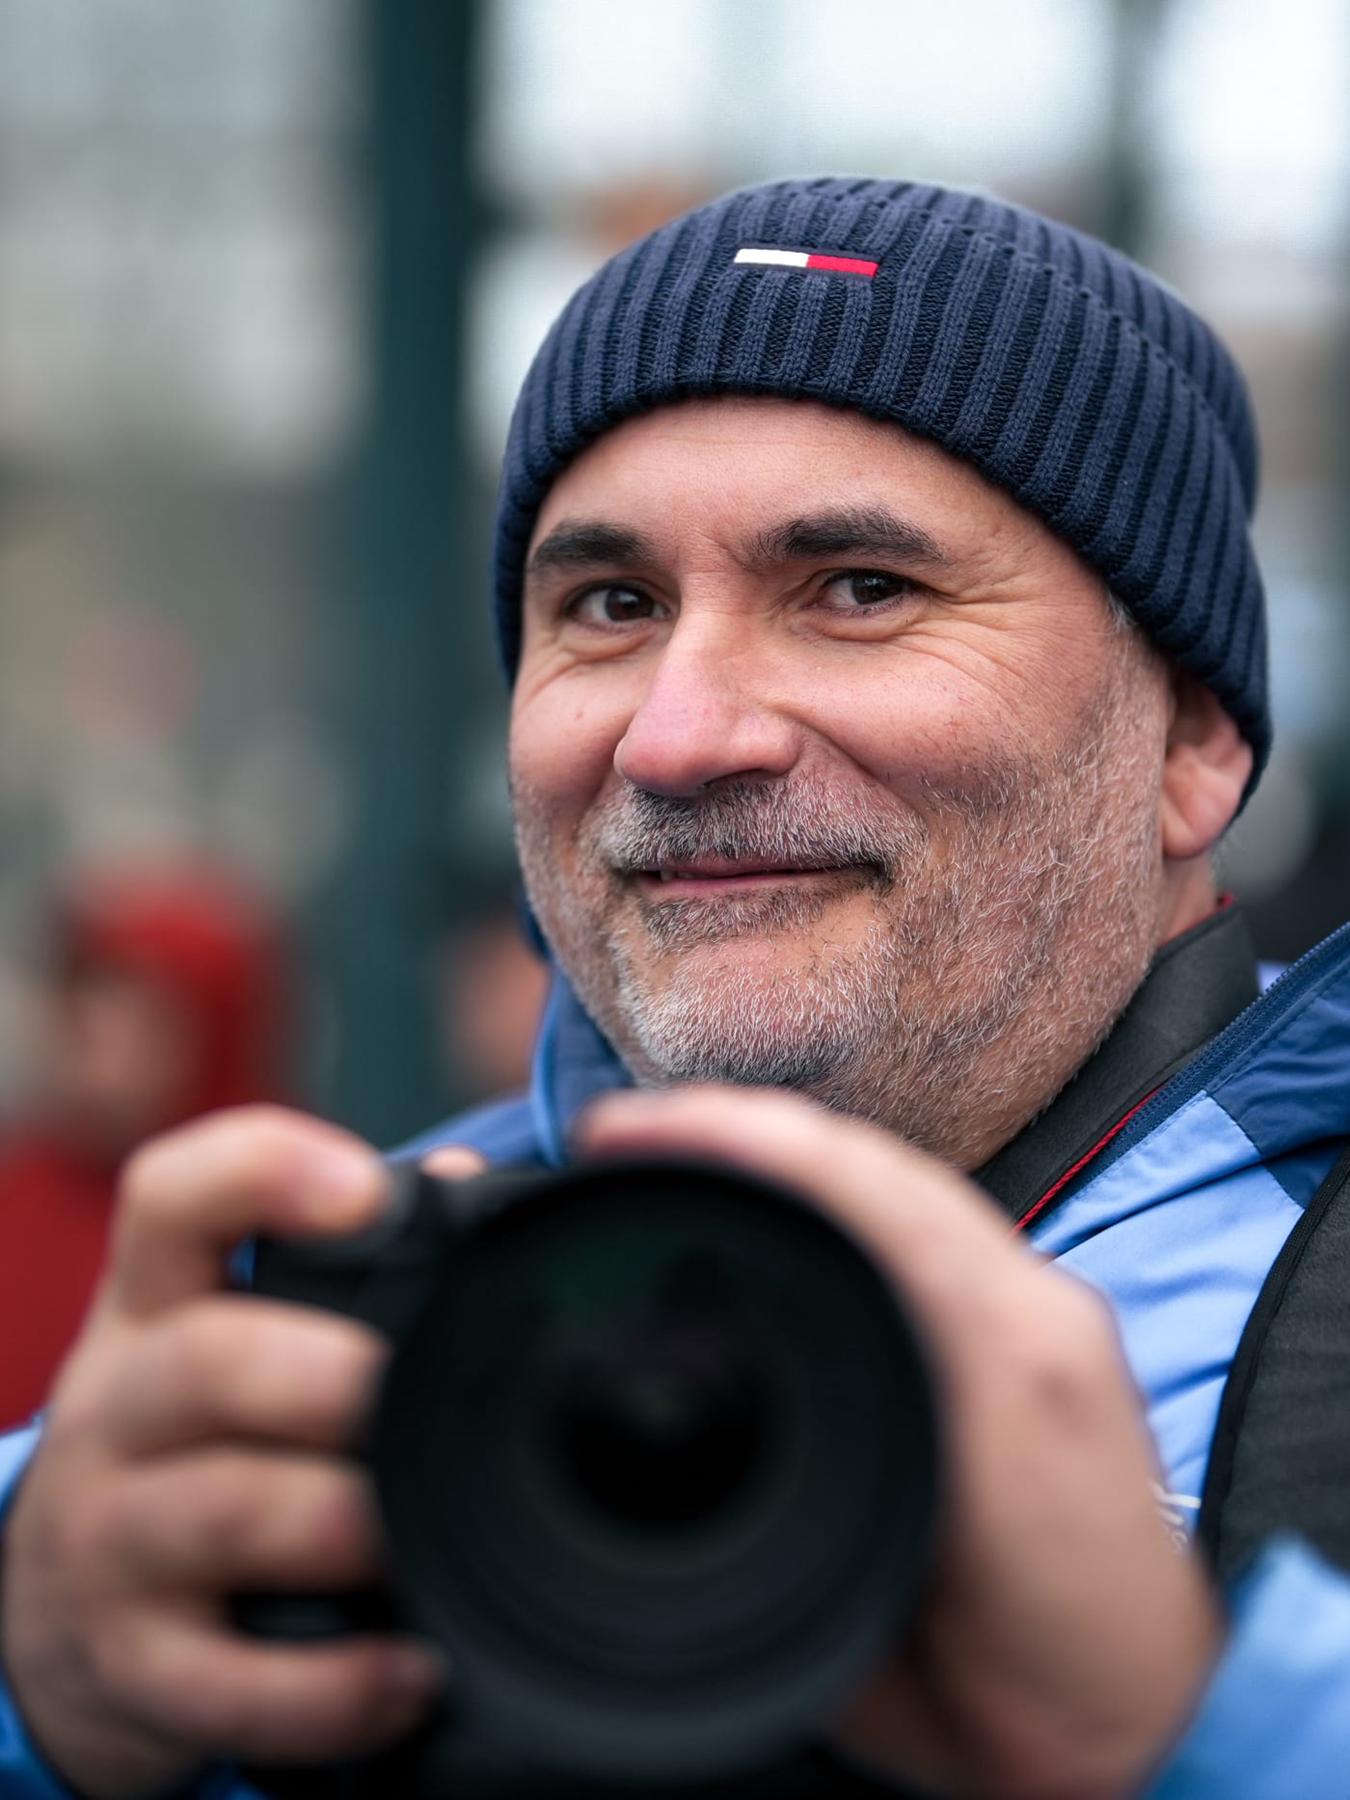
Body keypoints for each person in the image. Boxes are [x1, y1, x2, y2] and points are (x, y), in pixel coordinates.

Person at [3, 177, 1349, 1798]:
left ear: (1191, 740)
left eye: (862, 589)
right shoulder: (347, 1307)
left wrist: (1200, 1734)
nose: (677, 735)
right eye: (611, 606)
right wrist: (43, 1682)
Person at [0, 862, 293, 1430]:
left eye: (137, 1012)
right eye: (84, 1000)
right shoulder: (22, 1191)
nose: (94, 1036)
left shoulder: (272, 1205)